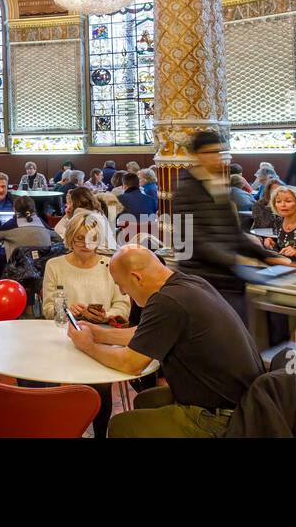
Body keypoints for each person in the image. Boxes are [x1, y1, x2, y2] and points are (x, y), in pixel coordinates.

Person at [69, 246, 263, 438]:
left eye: (122, 285)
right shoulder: (189, 284)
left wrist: (88, 345)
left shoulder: (166, 301)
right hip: (245, 403)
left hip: (221, 419)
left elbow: (131, 363)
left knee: (121, 425)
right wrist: (99, 333)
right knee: (145, 401)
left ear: (137, 278)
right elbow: (147, 333)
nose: (123, 291)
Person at [172, 130, 291, 316]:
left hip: (225, 272)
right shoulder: (185, 190)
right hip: (203, 277)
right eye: (210, 152)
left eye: (218, 152)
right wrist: (234, 259)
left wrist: (266, 256)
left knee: (277, 303)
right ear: (197, 155)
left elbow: (233, 233)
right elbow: (193, 240)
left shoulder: (217, 184)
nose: (216, 158)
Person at [41, 214, 132, 438]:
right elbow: (49, 309)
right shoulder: (55, 266)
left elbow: (123, 305)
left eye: (91, 238)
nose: (85, 244)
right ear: (70, 238)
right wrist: (67, 310)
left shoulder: (110, 266)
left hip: (103, 337)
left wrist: (105, 315)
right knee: (67, 392)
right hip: (66, 338)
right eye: (79, 238)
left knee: (101, 387)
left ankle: (101, 434)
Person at [0, 195, 57, 260]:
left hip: (16, 271)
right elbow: (59, 240)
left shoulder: (9, 225)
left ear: (14, 209)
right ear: (34, 208)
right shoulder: (42, 223)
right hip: (43, 270)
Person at [56, 185, 116, 250]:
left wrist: (68, 218)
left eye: (69, 202)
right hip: (111, 250)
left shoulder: (81, 214)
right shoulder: (97, 212)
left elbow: (68, 240)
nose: (67, 205)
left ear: (74, 202)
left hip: (99, 252)